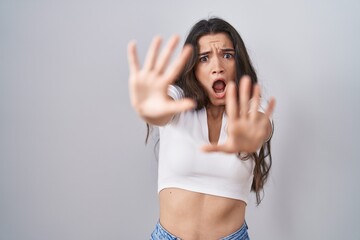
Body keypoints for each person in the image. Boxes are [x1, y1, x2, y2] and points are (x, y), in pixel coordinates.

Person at [127, 17, 275, 240]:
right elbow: (160, 108)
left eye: (227, 55)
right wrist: (149, 107)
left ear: (238, 62)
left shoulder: (252, 105)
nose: (217, 67)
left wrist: (252, 133)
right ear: (193, 68)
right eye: (204, 58)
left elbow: (260, 124)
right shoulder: (178, 98)